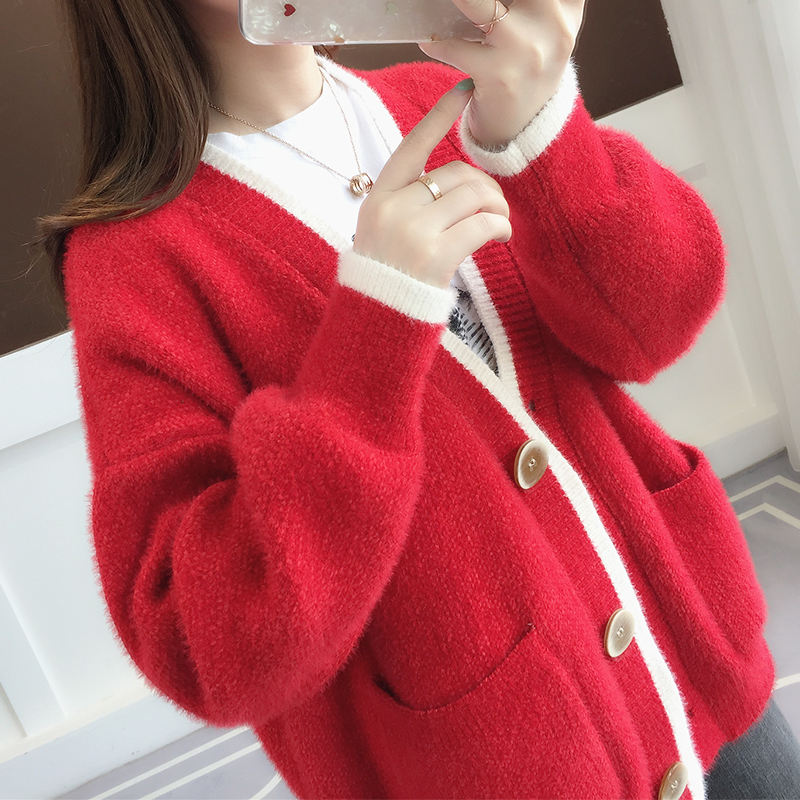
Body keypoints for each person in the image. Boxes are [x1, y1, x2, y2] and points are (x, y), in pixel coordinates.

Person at [38, 0, 800, 797]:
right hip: (509, 769)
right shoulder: (132, 263)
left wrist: (545, 131)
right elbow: (205, 645)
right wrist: (376, 322)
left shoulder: (449, 98)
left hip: (694, 671)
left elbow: (658, 322)